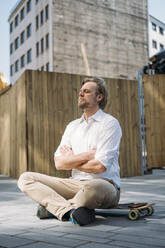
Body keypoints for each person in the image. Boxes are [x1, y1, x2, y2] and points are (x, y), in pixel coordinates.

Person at [18, 77, 122, 226]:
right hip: (73, 184)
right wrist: (85, 156)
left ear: (99, 97)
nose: (80, 94)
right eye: (80, 91)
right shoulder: (72, 127)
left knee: (94, 188)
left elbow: (100, 166)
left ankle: (54, 206)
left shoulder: (110, 124)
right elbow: (59, 163)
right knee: (25, 178)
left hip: (104, 185)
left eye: (86, 91)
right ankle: (70, 211)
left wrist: (71, 160)